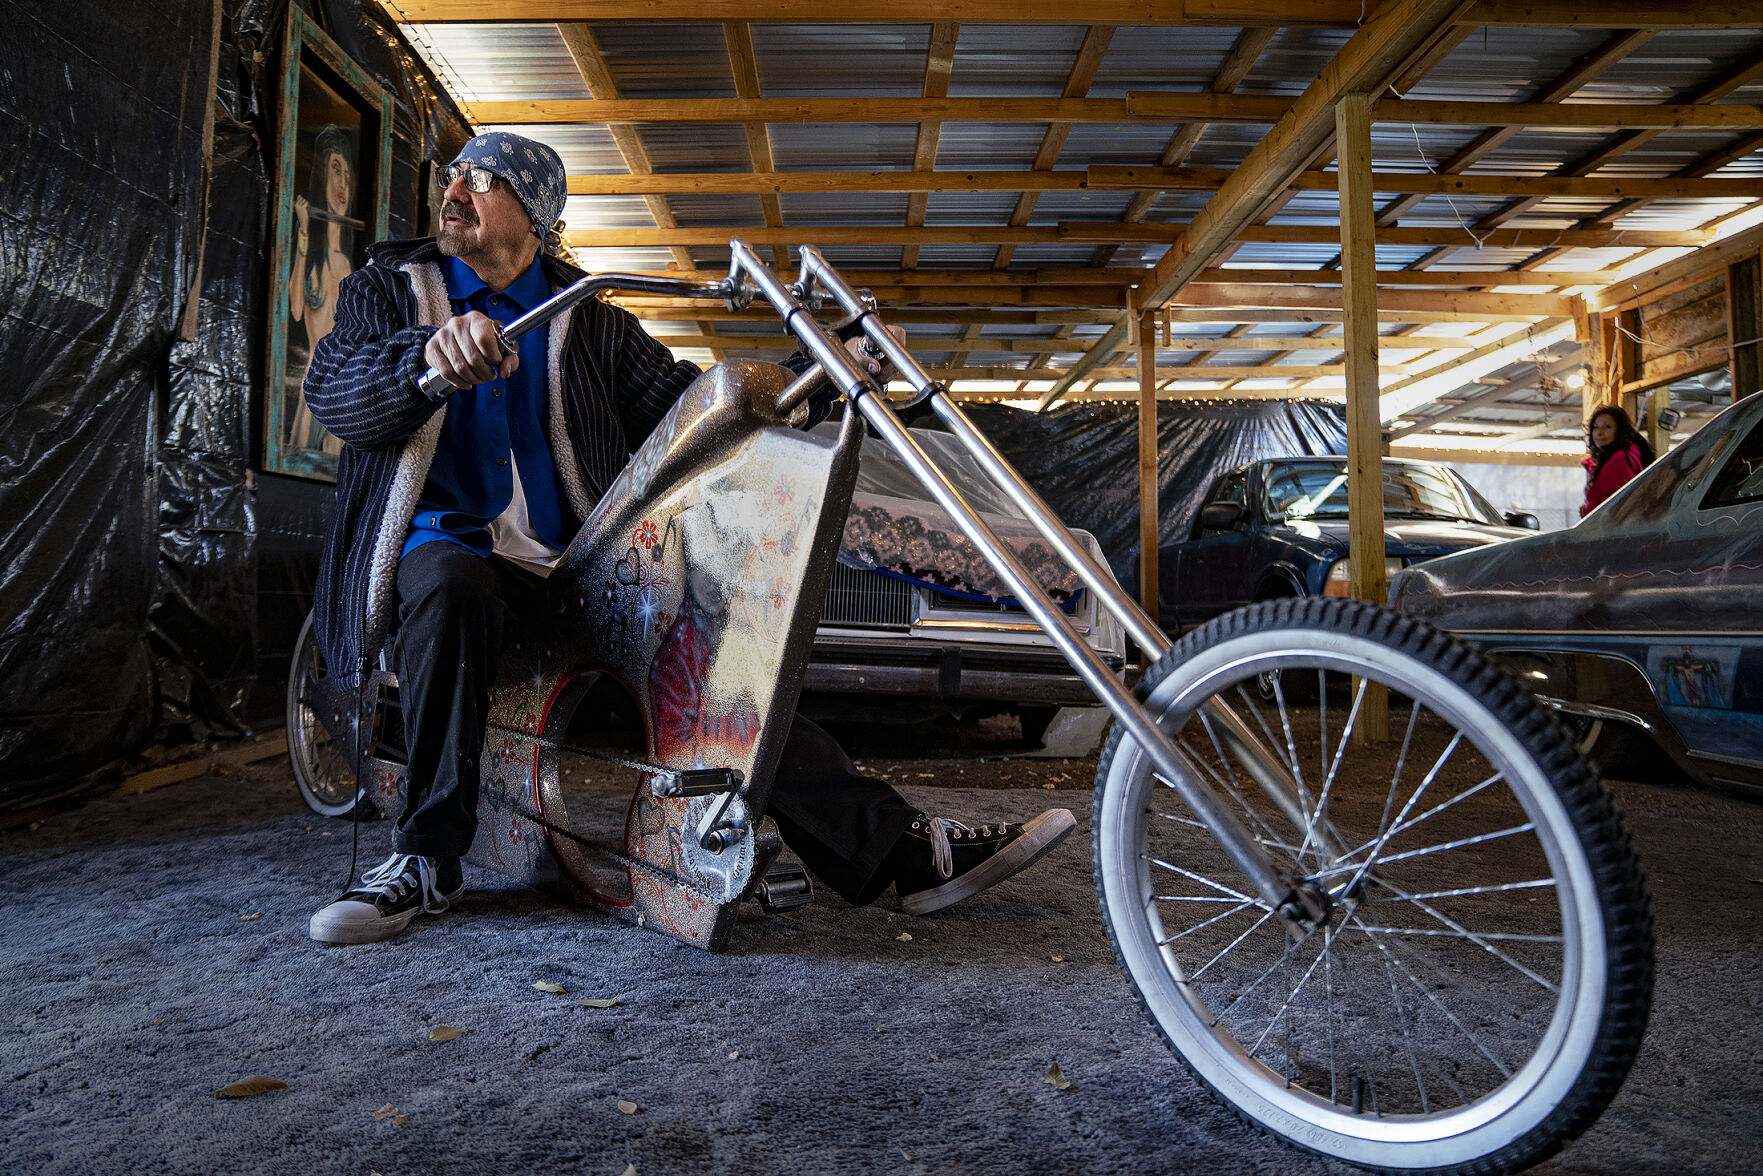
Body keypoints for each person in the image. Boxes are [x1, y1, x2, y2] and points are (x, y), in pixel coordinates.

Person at [301, 131, 1074, 944]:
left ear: (534, 214)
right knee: (451, 586)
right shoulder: (390, 289)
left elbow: (700, 413)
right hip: (447, 554)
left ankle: (899, 853)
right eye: (453, 173)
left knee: (719, 669)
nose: (455, 188)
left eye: (483, 178)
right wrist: (424, 357)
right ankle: (424, 860)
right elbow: (337, 389)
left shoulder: (590, 324)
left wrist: (825, 374)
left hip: (571, 573)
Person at [286, 124, 358, 456]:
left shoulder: (347, 265)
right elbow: (297, 309)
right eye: (335, 170)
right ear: (322, 178)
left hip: (341, 392)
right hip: (313, 390)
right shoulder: (313, 259)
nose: (343, 183)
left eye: (347, 174)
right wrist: (303, 233)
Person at [1580, 404, 1655, 517]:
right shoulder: (1615, 458)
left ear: (1620, 430)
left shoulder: (1620, 461)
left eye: (1607, 427)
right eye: (1595, 427)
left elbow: (1619, 507)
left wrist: (1588, 512)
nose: (1599, 433)